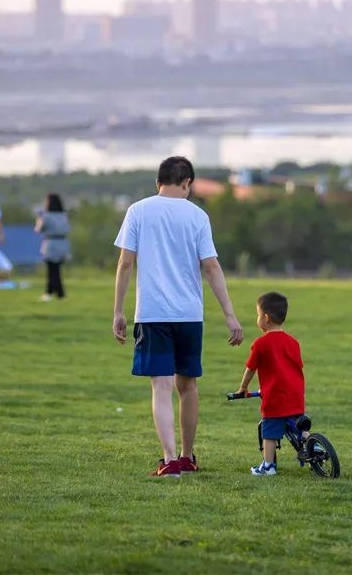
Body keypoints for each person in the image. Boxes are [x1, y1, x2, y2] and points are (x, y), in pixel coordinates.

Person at [113, 156, 244, 477]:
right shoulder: (198, 215)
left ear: (159, 181)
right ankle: (187, 456)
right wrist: (230, 316)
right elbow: (211, 267)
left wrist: (118, 310)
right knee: (188, 386)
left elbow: (126, 263)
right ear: (187, 183)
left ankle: (169, 459)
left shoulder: (138, 211)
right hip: (189, 314)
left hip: (152, 313)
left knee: (161, 387)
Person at [235, 292, 305, 476]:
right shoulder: (293, 342)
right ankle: (311, 446)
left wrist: (243, 388)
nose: (257, 318)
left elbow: (251, 369)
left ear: (266, 318)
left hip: (275, 395)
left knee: (270, 429)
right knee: (299, 424)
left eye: (258, 314)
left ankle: (268, 465)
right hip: (296, 393)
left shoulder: (261, 344)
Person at [35, 193, 71, 301]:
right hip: (63, 243)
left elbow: (38, 229)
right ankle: (56, 293)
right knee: (57, 269)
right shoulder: (64, 215)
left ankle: (54, 293)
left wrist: (39, 218)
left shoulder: (46, 216)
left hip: (51, 244)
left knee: (52, 270)